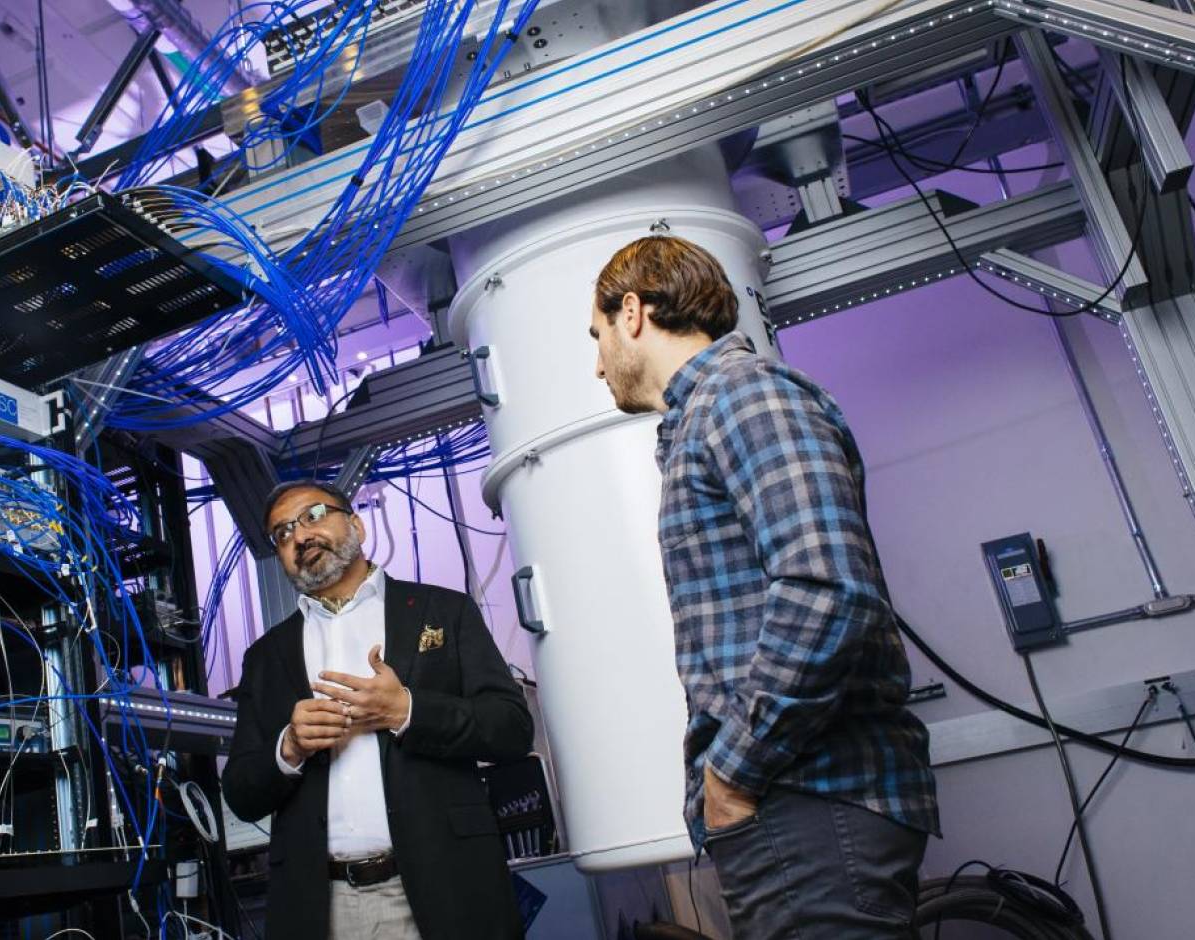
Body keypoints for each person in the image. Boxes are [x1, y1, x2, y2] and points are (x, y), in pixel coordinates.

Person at [586, 235, 938, 938]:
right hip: (794, 807)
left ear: (633, 312)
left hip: (807, 797)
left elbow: (825, 589)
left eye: (596, 338)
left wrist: (734, 774)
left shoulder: (741, 395)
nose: (597, 367)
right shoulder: (707, 416)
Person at [222, 481, 531, 940]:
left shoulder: (443, 610)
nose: (300, 537)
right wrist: (288, 747)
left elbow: (511, 729)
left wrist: (406, 710)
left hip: (444, 888)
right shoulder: (266, 657)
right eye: (282, 533)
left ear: (357, 524)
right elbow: (240, 791)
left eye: (312, 516)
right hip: (322, 906)